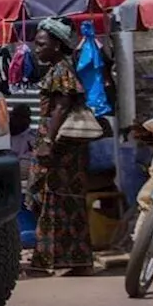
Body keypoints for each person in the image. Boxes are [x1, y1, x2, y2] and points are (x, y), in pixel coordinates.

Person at [26, 17, 95, 276]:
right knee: (61, 201)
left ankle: (47, 261)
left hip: (58, 145)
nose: (36, 49)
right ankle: (78, 261)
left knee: (52, 199)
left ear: (57, 45)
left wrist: (47, 141)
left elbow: (61, 107)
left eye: (41, 44)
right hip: (60, 143)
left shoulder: (62, 71)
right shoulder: (58, 69)